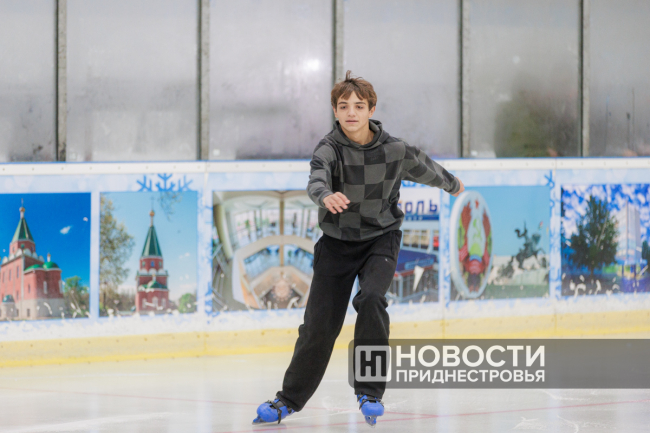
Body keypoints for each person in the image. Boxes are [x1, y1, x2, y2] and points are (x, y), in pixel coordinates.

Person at [253, 71, 464, 426]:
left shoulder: (395, 150)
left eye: (359, 105)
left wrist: (452, 184)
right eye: (343, 106)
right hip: (336, 245)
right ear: (335, 111)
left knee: (371, 299)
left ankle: (369, 391)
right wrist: (325, 195)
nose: (351, 112)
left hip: (380, 239)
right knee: (318, 327)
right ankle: (288, 400)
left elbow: (425, 168)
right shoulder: (329, 148)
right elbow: (317, 178)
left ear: (371, 110)